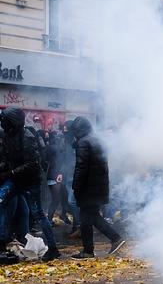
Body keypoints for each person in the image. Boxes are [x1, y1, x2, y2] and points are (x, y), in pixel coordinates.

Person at [0, 108, 60, 261]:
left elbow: (32, 163)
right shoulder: (8, 135)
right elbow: (8, 158)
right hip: (15, 179)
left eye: (5, 120)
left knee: (38, 213)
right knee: (2, 201)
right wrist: (4, 168)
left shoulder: (27, 137)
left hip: (30, 181)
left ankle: (53, 249)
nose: (2, 123)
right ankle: (3, 242)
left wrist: (10, 173)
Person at [70, 116, 125, 259]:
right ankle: (93, 248)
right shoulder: (97, 140)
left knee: (88, 217)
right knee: (89, 218)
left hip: (88, 188)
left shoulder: (83, 142)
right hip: (98, 187)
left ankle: (100, 245)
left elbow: (80, 168)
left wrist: (76, 186)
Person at [45, 131, 73, 225]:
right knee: (56, 199)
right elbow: (59, 162)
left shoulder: (50, 147)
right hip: (55, 176)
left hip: (55, 175)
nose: (62, 139)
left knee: (64, 197)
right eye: (60, 137)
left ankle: (63, 216)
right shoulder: (55, 148)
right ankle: (49, 220)